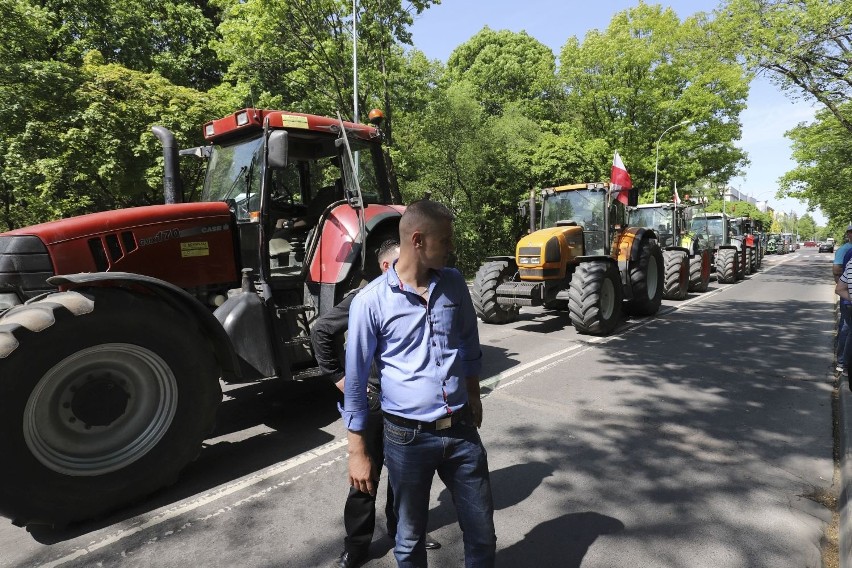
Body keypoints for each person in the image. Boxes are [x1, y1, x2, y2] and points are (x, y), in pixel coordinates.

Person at [342, 200, 496, 568]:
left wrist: (473, 396)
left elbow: (469, 345)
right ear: (418, 240)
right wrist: (358, 452)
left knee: (482, 532)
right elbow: (356, 383)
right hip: (406, 438)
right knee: (409, 539)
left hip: (460, 430)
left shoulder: (454, 283)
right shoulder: (370, 302)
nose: (451, 247)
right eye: (445, 239)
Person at [311, 239, 440, 568]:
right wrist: (338, 378)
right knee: (364, 479)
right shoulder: (364, 297)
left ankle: (402, 532)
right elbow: (322, 330)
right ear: (386, 266)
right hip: (373, 404)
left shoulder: (418, 294)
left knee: (404, 474)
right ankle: (356, 547)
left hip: (405, 404)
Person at [834, 225, 852, 372]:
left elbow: (838, 275)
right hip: (847, 298)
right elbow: (836, 271)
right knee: (847, 329)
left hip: (846, 296)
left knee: (846, 329)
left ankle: (842, 363)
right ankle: (842, 362)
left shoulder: (847, 252)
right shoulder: (846, 251)